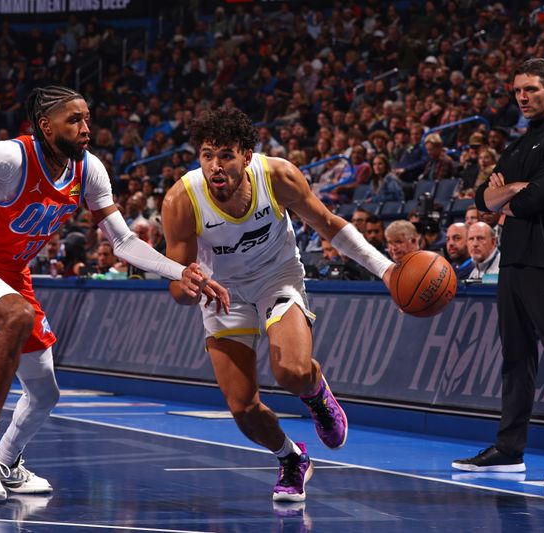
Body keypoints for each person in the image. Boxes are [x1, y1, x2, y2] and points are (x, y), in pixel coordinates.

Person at [0, 86, 229, 501]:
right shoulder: (9, 157)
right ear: (46, 125)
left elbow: (123, 241)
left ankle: (6, 461)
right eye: (74, 120)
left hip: (13, 276)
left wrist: (178, 269)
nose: (85, 128)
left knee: (45, 393)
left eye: (87, 119)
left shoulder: (88, 169)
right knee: (18, 316)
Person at [161, 107, 394, 502]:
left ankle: (317, 394)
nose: (215, 166)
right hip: (223, 292)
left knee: (291, 371)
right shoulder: (181, 200)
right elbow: (178, 289)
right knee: (242, 408)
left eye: (226, 155)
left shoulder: (278, 176)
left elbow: (329, 224)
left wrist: (386, 270)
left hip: (277, 277)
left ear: (247, 155)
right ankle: (291, 458)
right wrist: (190, 284)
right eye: (207, 155)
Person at [453, 59, 544, 485]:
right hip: (513, 265)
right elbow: (484, 196)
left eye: (532, 89)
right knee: (515, 360)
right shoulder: (519, 143)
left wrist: (513, 191)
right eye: (517, 90)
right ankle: (509, 449)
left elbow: (534, 199)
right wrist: (506, 192)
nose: (522, 97)